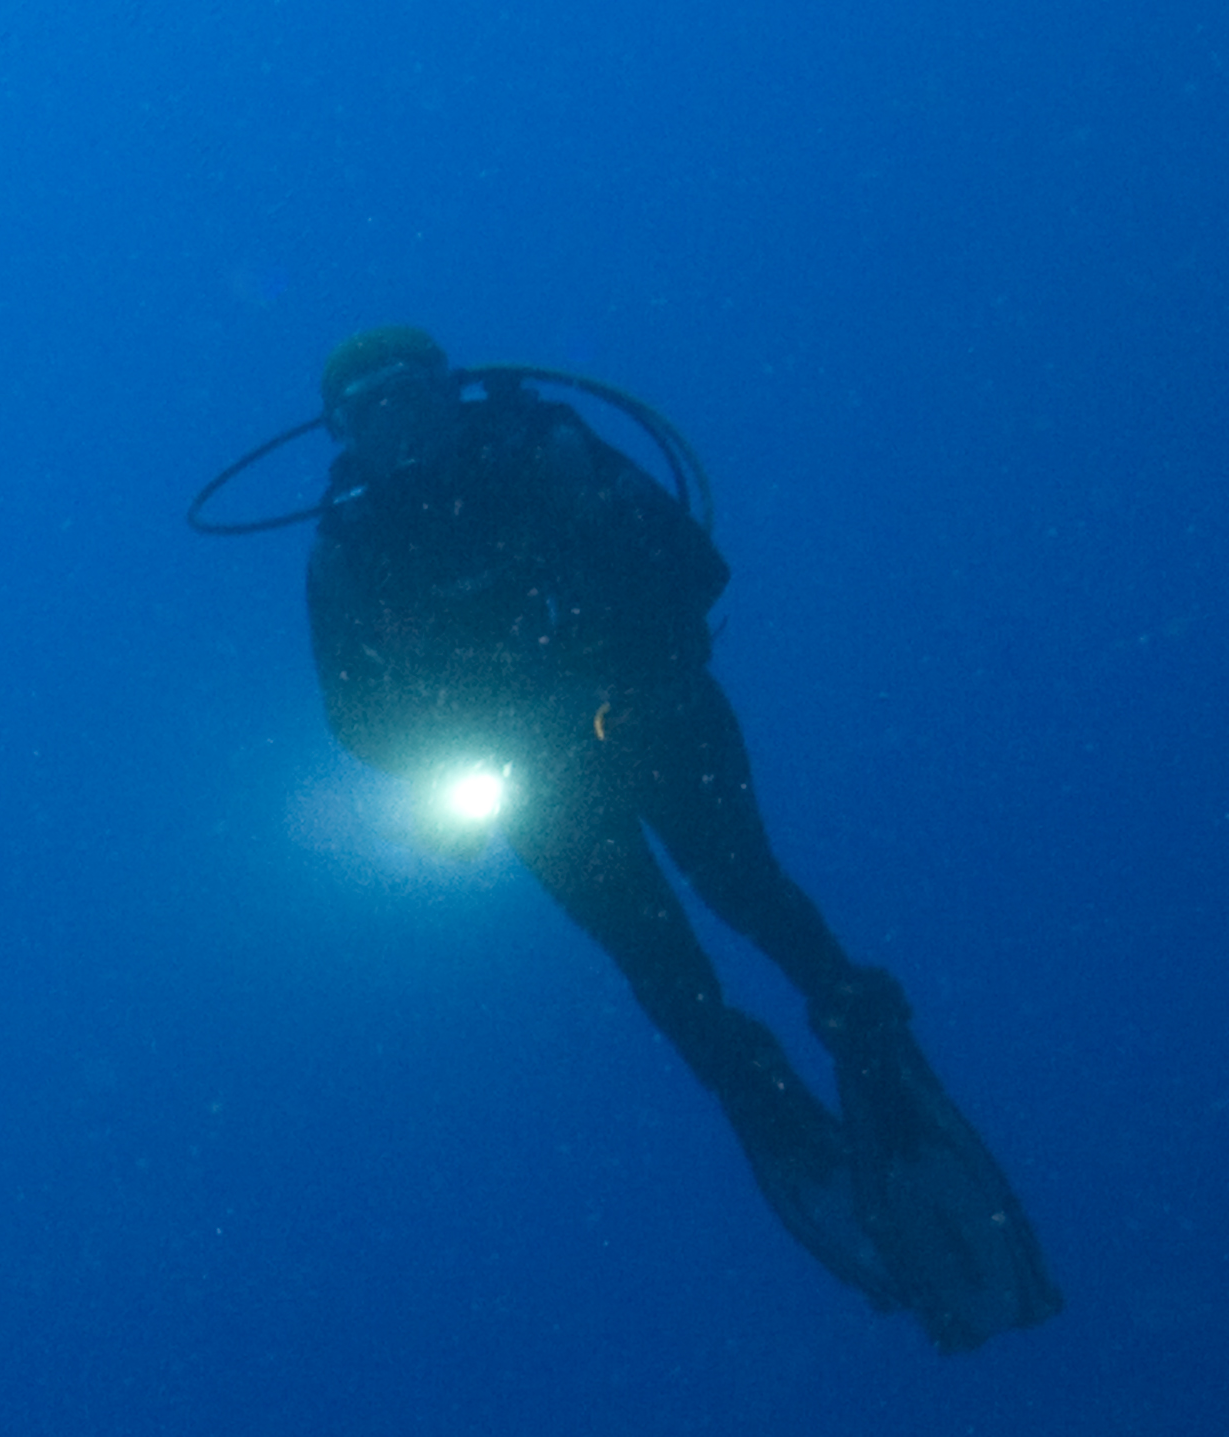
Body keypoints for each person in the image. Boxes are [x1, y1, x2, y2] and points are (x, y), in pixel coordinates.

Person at [210, 326, 1057, 1350]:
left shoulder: (545, 448)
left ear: (449, 391)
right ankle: (754, 1088)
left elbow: (693, 566)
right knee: (654, 957)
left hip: (657, 717)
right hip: (532, 776)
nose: (397, 423)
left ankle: (857, 1022)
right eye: (368, 409)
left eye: (408, 393)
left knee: (746, 887)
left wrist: (615, 655)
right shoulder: (351, 548)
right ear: (342, 432)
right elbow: (357, 716)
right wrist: (463, 742)